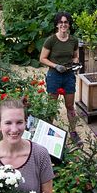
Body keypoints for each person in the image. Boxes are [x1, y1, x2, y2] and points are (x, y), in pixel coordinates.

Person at [39, 11, 81, 143]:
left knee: (70, 106)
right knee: (52, 105)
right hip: (54, 76)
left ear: (69, 24)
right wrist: (56, 66)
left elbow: (75, 56)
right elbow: (42, 58)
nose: (63, 24)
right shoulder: (51, 40)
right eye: (61, 22)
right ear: (57, 24)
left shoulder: (73, 40)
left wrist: (75, 64)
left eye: (66, 22)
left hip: (68, 76)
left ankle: (73, 131)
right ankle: (47, 132)